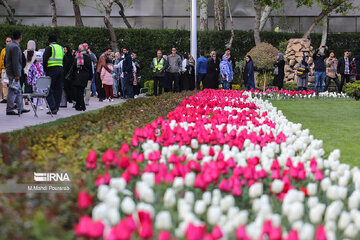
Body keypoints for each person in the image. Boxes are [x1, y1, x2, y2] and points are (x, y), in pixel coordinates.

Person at [5, 31, 30, 115]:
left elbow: (6, 59)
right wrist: (17, 74)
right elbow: (16, 61)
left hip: (10, 70)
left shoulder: (9, 45)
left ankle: (20, 107)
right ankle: (9, 109)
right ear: (20, 37)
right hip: (13, 72)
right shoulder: (15, 47)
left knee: (18, 90)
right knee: (13, 90)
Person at [43, 34, 65, 115]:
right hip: (61, 69)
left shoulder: (49, 47)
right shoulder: (61, 48)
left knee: (48, 89)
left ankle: (52, 107)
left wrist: (45, 70)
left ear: (49, 41)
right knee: (58, 89)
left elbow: (44, 59)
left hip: (51, 69)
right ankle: (56, 107)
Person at [72, 44, 93, 111]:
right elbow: (90, 68)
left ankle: (82, 106)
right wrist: (90, 77)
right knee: (81, 90)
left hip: (79, 75)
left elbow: (74, 66)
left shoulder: (78, 56)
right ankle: (78, 105)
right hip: (86, 75)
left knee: (78, 91)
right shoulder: (88, 57)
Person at [0, 37, 11, 103]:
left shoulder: (13, 49)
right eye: (7, 41)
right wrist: (0, 69)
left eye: (9, 41)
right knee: (4, 83)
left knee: (11, 83)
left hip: (10, 69)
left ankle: (10, 97)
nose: (8, 43)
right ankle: (5, 98)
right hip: (4, 69)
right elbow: (1, 60)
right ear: (5, 42)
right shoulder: (3, 50)